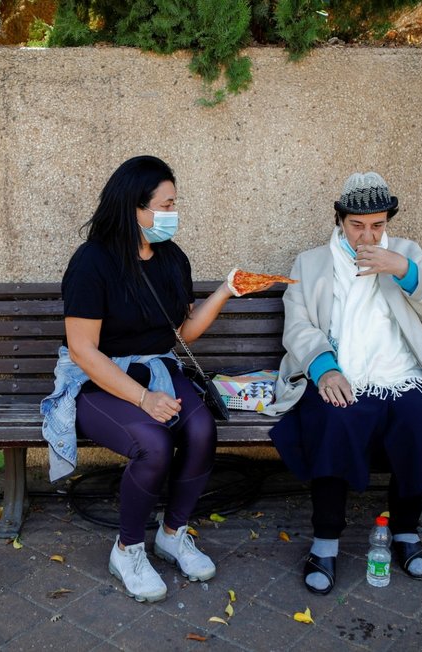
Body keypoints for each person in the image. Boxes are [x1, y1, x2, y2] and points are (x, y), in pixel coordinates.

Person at [42, 155, 273, 603]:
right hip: (99, 380)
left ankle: (172, 533)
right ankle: (127, 550)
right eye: (165, 205)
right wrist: (144, 399)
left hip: (158, 368)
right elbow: (83, 351)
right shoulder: (93, 263)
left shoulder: (171, 259)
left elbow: (180, 333)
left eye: (174, 204)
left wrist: (226, 289)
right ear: (134, 208)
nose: (172, 214)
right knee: (155, 444)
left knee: (203, 429)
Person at [263, 171, 422, 595]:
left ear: (388, 223)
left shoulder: (408, 254)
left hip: (400, 373)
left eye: (378, 226)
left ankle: (404, 532)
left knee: (419, 416)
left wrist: (405, 271)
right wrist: (324, 368)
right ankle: (325, 541)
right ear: (340, 220)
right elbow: (299, 325)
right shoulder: (311, 263)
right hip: (339, 370)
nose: (368, 236)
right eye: (357, 225)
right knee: (333, 416)